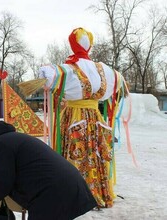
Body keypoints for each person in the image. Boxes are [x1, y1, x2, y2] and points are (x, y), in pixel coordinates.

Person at [38, 27, 129, 208]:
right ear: (89, 45)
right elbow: (119, 81)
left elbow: (47, 75)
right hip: (95, 118)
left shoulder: (68, 69)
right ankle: (97, 191)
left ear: (72, 44)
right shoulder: (103, 70)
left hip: (74, 117)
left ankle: (74, 194)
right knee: (95, 152)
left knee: (74, 153)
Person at [0, 121, 97, 220]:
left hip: (52, 193)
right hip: (66, 185)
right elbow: (16, 170)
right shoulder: (11, 138)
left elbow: (3, 185)